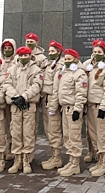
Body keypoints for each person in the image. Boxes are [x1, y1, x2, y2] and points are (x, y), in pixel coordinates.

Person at [3, 46, 43, 174]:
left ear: (30, 56)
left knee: (28, 132)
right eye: (21, 55)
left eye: (26, 55)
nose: (23, 58)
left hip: (28, 105)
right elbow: (6, 84)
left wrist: (24, 97)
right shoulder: (11, 69)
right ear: (18, 56)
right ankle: (17, 159)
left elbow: (36, 85)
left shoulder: (36, 69)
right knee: (15, 132)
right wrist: (15, 96)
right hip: (15, 105)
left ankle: (26, 159)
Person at [49, 48, 88, 177]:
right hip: (64, 109)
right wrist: (53, 107)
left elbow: (81, 93)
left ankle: (75, 164)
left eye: (69, 59)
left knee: (74, 136)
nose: (66, 61)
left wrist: (78, 109)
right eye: (65, 59)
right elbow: (56, 91)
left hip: (73, 109)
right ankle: (71, 161)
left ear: (76, 60)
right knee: (67, 136)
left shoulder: (79, 73)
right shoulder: (64, 73)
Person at [83, 39, 105, 177]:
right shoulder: (88, 66)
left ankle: (104, 162)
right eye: (94, 51)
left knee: (102, 134)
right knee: (93, 134)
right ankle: (98, 158)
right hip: (89, 106)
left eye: (99, 52)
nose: (96, 54)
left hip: (100, 106)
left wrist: (104, 106)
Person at [40, 40, 65, 170]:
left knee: (54, 129)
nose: (50, 53)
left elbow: (56, 86)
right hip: (45, 99)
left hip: (52, 99)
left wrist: (54, 104)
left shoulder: (60, 66)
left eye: (53, 51)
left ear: (59, 52)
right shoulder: (49, 64)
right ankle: (52, 154)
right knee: (48, 129)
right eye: (49, 51)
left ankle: (57, 158)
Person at [0, 38, 18, 161]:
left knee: (13, 124)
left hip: (12, 98)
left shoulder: (16, 62)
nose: (7, 50)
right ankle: (2, 148)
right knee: (1, 125)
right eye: (5, 48)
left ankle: (12, 147)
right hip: (0, 98)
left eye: (9, 48)